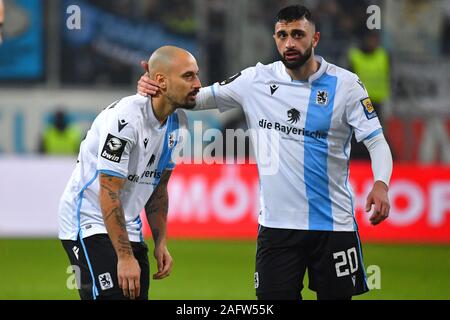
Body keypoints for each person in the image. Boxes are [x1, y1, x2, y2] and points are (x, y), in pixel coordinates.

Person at [138, 5, 392, 300]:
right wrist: (157, 86)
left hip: (333, 226)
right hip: (276, 228)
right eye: (282, 35)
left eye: (298, 34)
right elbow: (194, 99)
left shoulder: (347, 86)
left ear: (316, 38)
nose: (289, 43)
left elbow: (376, 141)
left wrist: (381, 184)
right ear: (274, 38)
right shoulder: (255, 80)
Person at [58, 46, 200, 300]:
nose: (198, 84)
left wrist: (160, 243)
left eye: (196, 75)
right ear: (161, 81)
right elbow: (109, 189)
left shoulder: (179, 124)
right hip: (88, 218)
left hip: (128, 223)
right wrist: (124, 257)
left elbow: (158, 189)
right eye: (188, 76)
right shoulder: (126, 119)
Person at [348, 30, 390, 159]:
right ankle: (357, 158)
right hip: (362, 102)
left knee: (377, 135)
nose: (374, 42)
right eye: (371, 39)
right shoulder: (355, 56)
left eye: (376, 39)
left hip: (378, 101)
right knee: (359, 133)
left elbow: (390, 77)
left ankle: (375, 160)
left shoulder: (383, 56)